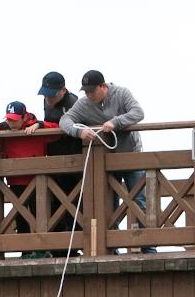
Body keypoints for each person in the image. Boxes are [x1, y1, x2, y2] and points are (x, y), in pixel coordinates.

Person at [58, 70, 154, 253]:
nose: (88, 95)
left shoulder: (121, 93)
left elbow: (138, 112)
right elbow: (65, 120)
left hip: (130, 155)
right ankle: (112, 248)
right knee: (110, 203)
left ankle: (148, 247)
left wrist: (116, 122)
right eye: (86, 91)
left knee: (139, 199)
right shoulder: (84, 103)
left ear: (103, 87)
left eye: (92, 91)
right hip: (106, 161)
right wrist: (79, 132)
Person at [0, 101, 62, 253]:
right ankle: (25, 251)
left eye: (14, 119)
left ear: (24, 117)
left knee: (41, 214)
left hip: (37, 180)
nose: (11, 123)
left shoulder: (35, 125)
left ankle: (44, 249)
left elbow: (58, 129)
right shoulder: (4, 127)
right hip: (14, 180)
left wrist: (39, 125)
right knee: (20, 215)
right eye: (9, 119)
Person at [37, 71, 84, 223]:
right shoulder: (47, 101)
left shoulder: (74, 103)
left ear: (63, 90)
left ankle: (76, 237)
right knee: (55, 199)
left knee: (76, 199)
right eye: (45, 94)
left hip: (74, 157)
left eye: (52, 94)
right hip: (54, 157)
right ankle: (59, 245)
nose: (48, 98)